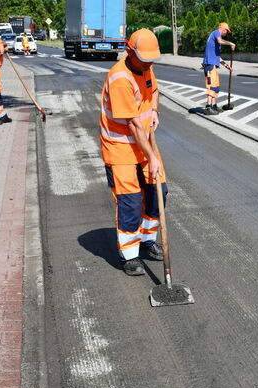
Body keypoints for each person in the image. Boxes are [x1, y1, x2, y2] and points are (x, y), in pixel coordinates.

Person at [100, 29, 167, 276]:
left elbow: (155, 91)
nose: (149, 63)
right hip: (120, 147)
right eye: (144, 58)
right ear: (129, 51)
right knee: (130, 202)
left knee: (159, 190)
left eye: (152, 59)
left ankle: (147, 241)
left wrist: (156, 112)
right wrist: (152, 156)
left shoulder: (146, 65)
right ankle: (129, 255)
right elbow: (133, 124)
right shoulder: (120, 79)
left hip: (144, 141)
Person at [202, 22, 235, 115]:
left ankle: (214, 106)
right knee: (211, 86)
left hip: (213, 65)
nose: (226, 33)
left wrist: (227, 66)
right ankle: (208, 107)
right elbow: (220, 41)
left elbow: (218, 57)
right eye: (227, 31)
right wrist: (230, 43)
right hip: (209, 65)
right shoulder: (216, 33)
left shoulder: (216, 41)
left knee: (215, 86)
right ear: (224, 29)